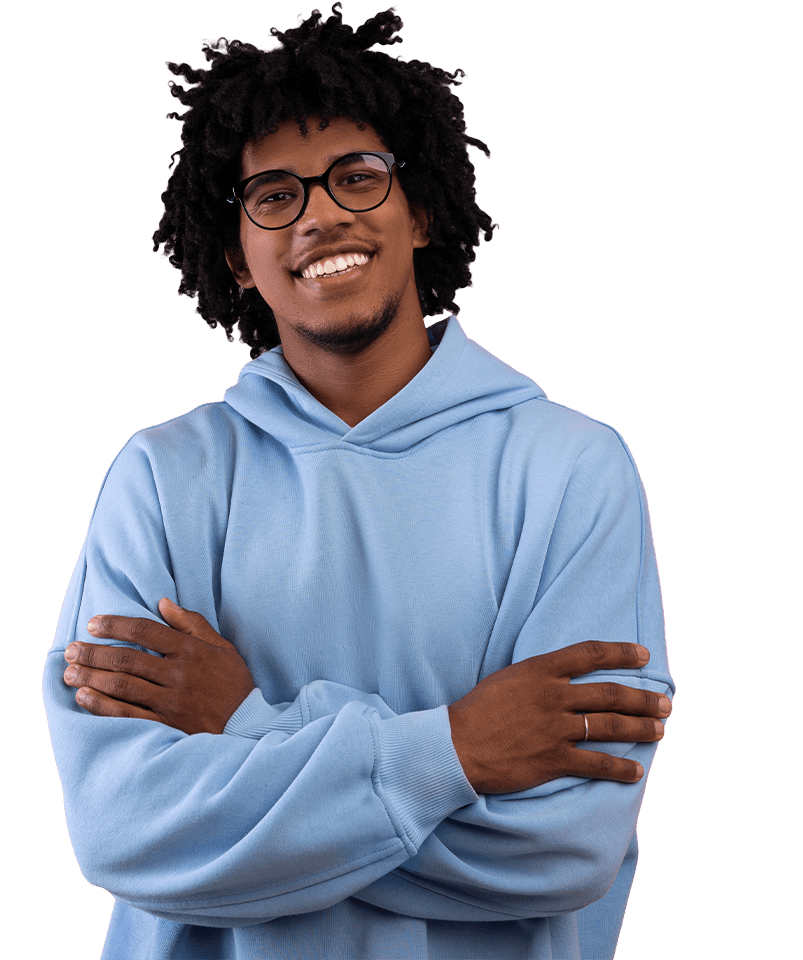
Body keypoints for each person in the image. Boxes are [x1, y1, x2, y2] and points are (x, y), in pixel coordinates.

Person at [43, 6, 674, 959]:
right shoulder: (163, 479)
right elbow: (125, 830)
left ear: (420, 211)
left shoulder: (570, 468)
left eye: (357, 176)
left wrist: (245, 728)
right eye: (273, 196)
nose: (322, 215)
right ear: (235, 257)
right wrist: (456, 754)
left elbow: (563, 849)